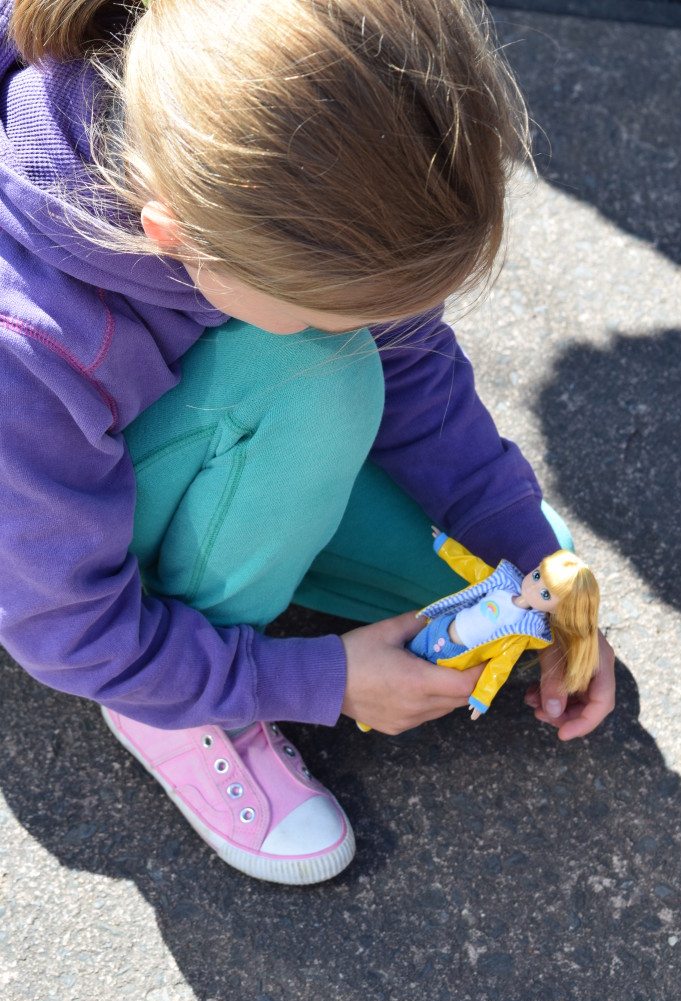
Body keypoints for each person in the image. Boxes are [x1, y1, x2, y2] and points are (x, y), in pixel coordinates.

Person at [0, 0, 615, 885]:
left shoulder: (283, 149)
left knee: (492, 601)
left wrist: (519, 536)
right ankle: (171, 710)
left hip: (148, 425)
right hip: (42, 549)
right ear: (177, 241)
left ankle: (257, 526)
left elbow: (414, 367)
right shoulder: (32, 341)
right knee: (325, 377)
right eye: (332, 311)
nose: (379, 330)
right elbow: (70, 628)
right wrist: (312, 680)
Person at [406, 532, 600, 719]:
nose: (534, 586)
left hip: (453, 655)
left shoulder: (522, 631)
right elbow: (471, 566)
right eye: (537, 575)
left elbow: (500, 666)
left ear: (559, 611)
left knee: (409, 684)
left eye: (546, 594)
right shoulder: (502, 582)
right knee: (404, 653)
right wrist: (445, 546)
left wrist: (483, 696)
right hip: (439, 627)